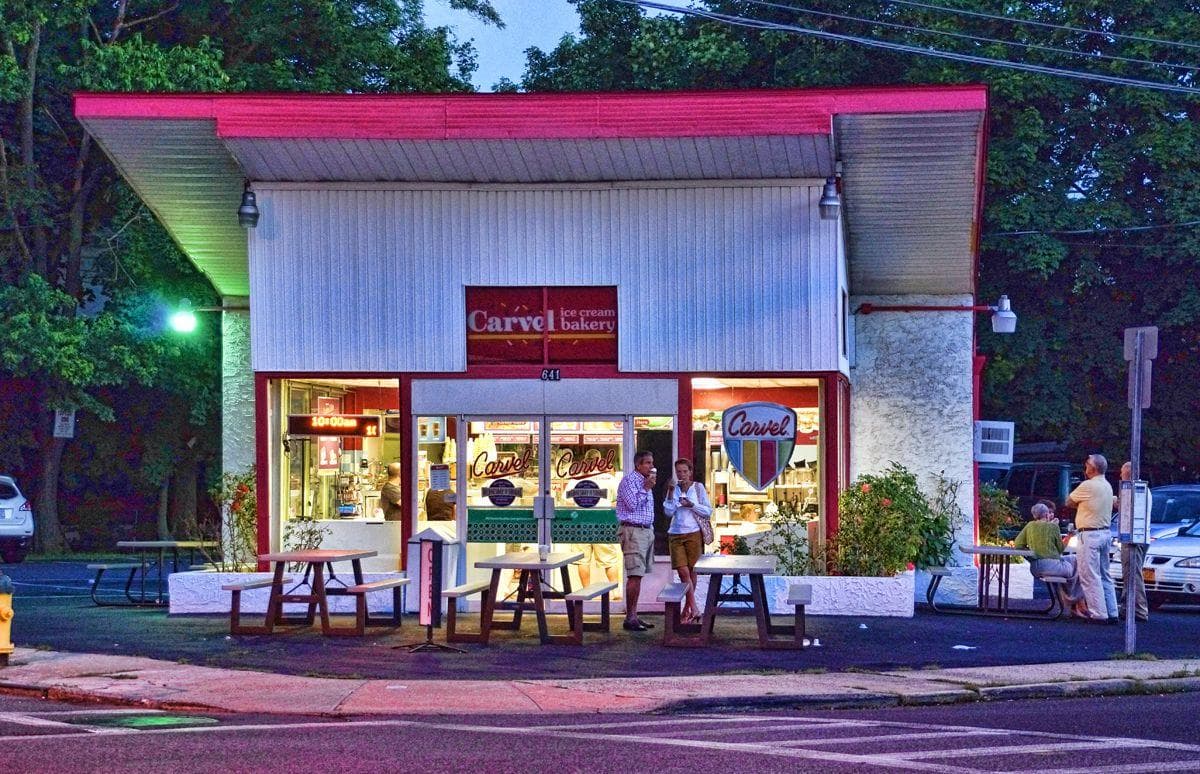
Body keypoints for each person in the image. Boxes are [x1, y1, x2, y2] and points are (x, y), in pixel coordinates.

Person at [1065, 454, 1117, 622]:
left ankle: (1098, 614)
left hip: (1089, 534)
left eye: (1087, 464)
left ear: (1093, 468)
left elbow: (1069, 501)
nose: (1085, 467)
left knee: (1089, 575)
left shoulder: (1088, 485)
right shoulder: (1107, 486)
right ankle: (1112, 611)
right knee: (1104, 574)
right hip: (1105, 532)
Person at [662, 458, 712, 624]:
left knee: (692, 572)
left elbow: (707, 511)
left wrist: (691, 504)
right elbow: (668, 512)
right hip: (676, 533)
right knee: (683, 572)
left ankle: (687, 609)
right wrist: (670, 493)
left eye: (684, 471)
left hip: (693, 533)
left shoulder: (698, 488)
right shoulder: (674, 489)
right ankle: (695, 608)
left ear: (690, 472)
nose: (682, 474)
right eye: (679, 472)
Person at [1013, 500, 1081, 614]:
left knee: (1074, 559)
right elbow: (1060, 549)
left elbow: (1018, 544)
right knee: (1077, 567)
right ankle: (1075, 600)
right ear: (1046, 514)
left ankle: (1070, 601)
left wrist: (1033, 555)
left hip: (1035, 567)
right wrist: (1069, 536)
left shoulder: (1029, 525)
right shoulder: (1053, 527)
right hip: (1052, 566)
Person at [615, 450, 657, 631]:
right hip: (633, 531)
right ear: (638, 465)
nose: (651, 466)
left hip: (646, 531)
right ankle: (630, 617)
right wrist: (646, 488)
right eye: (647, 463)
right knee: (634, 574)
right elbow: (632, 505)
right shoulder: (629, 482)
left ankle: (634, 615)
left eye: (651, 462)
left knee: (639, 575)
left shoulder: (645, 482)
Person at [1115, 461, 1151, 621]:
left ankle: (1139, 610)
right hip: (1141, 538)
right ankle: (1128, 607)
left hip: (1133, 540)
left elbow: (1127, 510)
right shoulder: (1145, 490)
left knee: (1132, 574)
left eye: (1122, 472)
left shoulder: (1133, 490)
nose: (1120, 475)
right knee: (1131, 573)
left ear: (1128, 473)